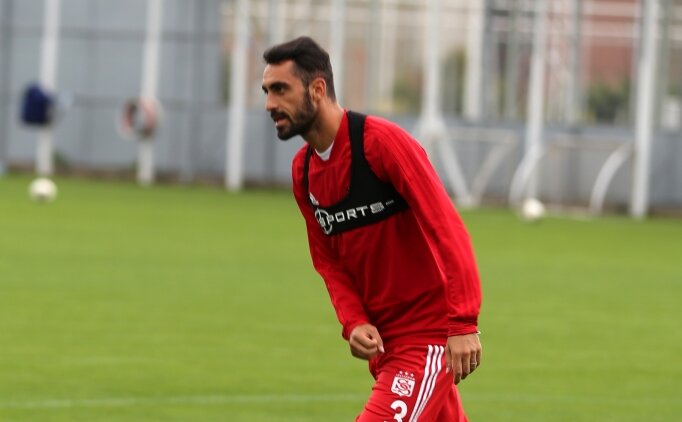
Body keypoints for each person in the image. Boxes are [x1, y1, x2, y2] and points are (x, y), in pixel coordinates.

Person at [261, 36, 482, 422]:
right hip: (386, 347)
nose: (270, 104)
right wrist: (354, 320)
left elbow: (446, 227)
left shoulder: (381, 143)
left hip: (427, 338)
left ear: (317, 89)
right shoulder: (304, 172)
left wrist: (464, 321)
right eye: (266, 91)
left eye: (281, 89)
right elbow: (328, 262)